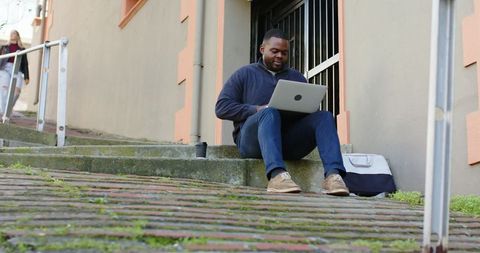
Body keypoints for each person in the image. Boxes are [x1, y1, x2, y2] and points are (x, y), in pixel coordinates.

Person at [215, 29, 349, 196]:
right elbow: (221, 107)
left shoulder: (297, 78)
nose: (279, 56)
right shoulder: (245, 74)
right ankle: (277, 176)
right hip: (252, 142)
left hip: (289, 142)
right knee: (269, 112)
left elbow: (310, 115)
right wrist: (257, 109)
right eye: (275, 51)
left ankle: (333, 176)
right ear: (262, 49)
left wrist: (306, 109)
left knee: (324, 117)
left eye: (284, 53)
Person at [0, 30, 30, 114]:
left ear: (18, 36)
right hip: (5, 69)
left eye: (14, 33)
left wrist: (27, 76)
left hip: (17, 69)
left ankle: (7, 109)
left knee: (17, 92)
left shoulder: (22, 49)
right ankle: (3, 112)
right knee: (4, 90)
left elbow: (25, 63)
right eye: (11, 33)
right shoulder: (4, 47)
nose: (12, 34)